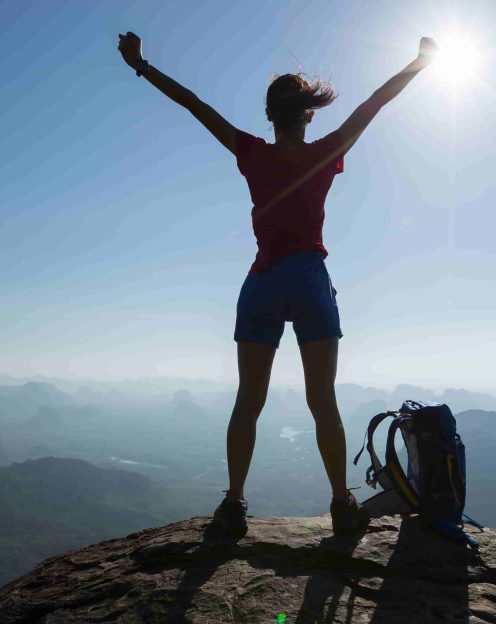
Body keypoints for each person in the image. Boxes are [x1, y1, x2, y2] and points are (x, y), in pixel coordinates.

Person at [116, 31, 438, 534]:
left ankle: (233, 504)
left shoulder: (251, 153)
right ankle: (341, 503)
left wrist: (141, 64)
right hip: (309, 280)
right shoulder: (328, 151)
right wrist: (419, 63)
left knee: (249, 399)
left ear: (270, 115)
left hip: (264, 280)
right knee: (322, 400)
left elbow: (194, 104)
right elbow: (376, 102)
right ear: (308, 114)